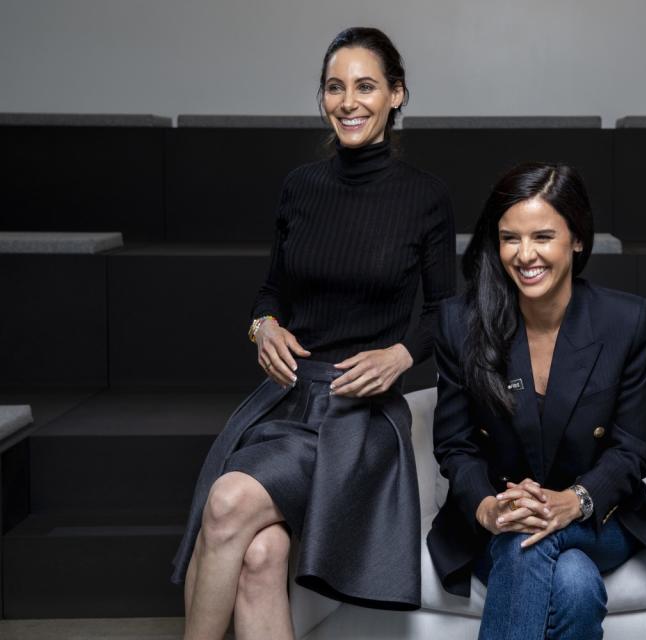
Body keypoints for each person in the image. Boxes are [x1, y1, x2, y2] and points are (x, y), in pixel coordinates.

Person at [171, 27, 456, 639]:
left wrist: (402, 354)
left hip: (361, 417)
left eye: (365, 86)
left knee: (226, 504)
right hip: (289, 402)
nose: (348, 101)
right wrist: (263, 326)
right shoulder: (300, 187)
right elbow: (272, 292)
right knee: (261, 555)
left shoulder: (426, 198)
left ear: (396, 95)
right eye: (334, 87)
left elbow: (446, 313)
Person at [427, 163, 646, 640]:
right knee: (573, 583)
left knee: (523, 544)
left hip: (600, 516)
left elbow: (632, 448)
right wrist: (491, 508)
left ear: (577, 239)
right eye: (510, 238)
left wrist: (572, 502)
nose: (525, 254)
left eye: (542, 236)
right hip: (500, 512)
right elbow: (456, 446)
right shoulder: (461, 323)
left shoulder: (626, 321)